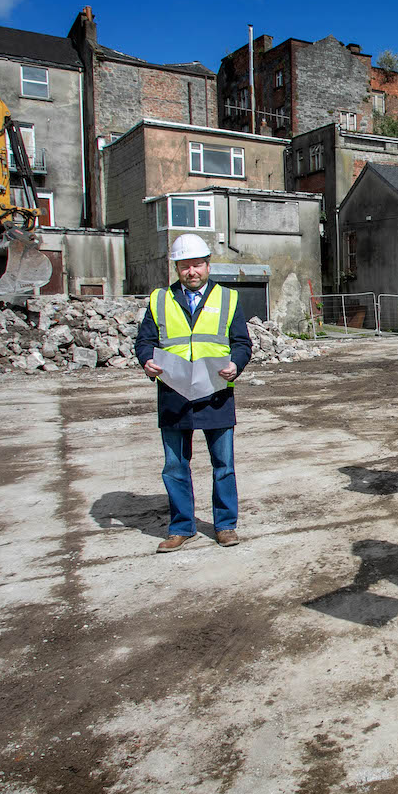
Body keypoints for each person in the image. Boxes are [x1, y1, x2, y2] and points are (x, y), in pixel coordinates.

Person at [135, 233, 253, 554]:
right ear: (176, 268)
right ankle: (181, 527)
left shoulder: (227, 298)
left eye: (197, 265)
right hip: (174, 393)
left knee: (223, 464)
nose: (192, 271)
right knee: (175, 465)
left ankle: (226, 526)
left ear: (207, 264)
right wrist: (146, 360)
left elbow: (242, 343)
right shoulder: (159, 299)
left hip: (215, 393)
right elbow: (145, 341)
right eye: (185, 266)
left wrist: (235, 365)